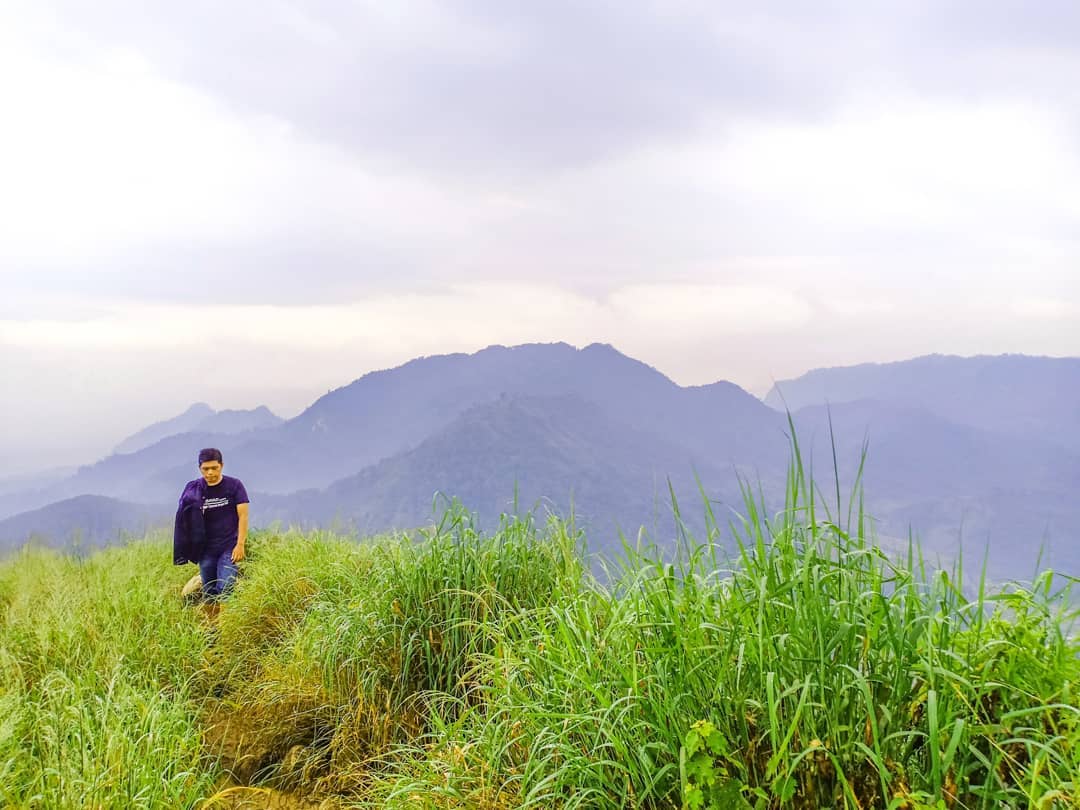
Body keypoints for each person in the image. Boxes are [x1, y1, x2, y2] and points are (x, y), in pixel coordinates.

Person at [173, 447, 250, 623]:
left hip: (228, 546)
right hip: (205, 550)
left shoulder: (234, 486)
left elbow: (243, 515)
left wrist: (240, 544)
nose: (210, 472)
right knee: (209, 589)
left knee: (226, 585)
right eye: (205, 469)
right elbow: (183, 516)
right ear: (200, 468)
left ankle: (228, 628)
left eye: (214, 468)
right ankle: (213, 627)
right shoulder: (194, 490)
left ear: (221, 466)